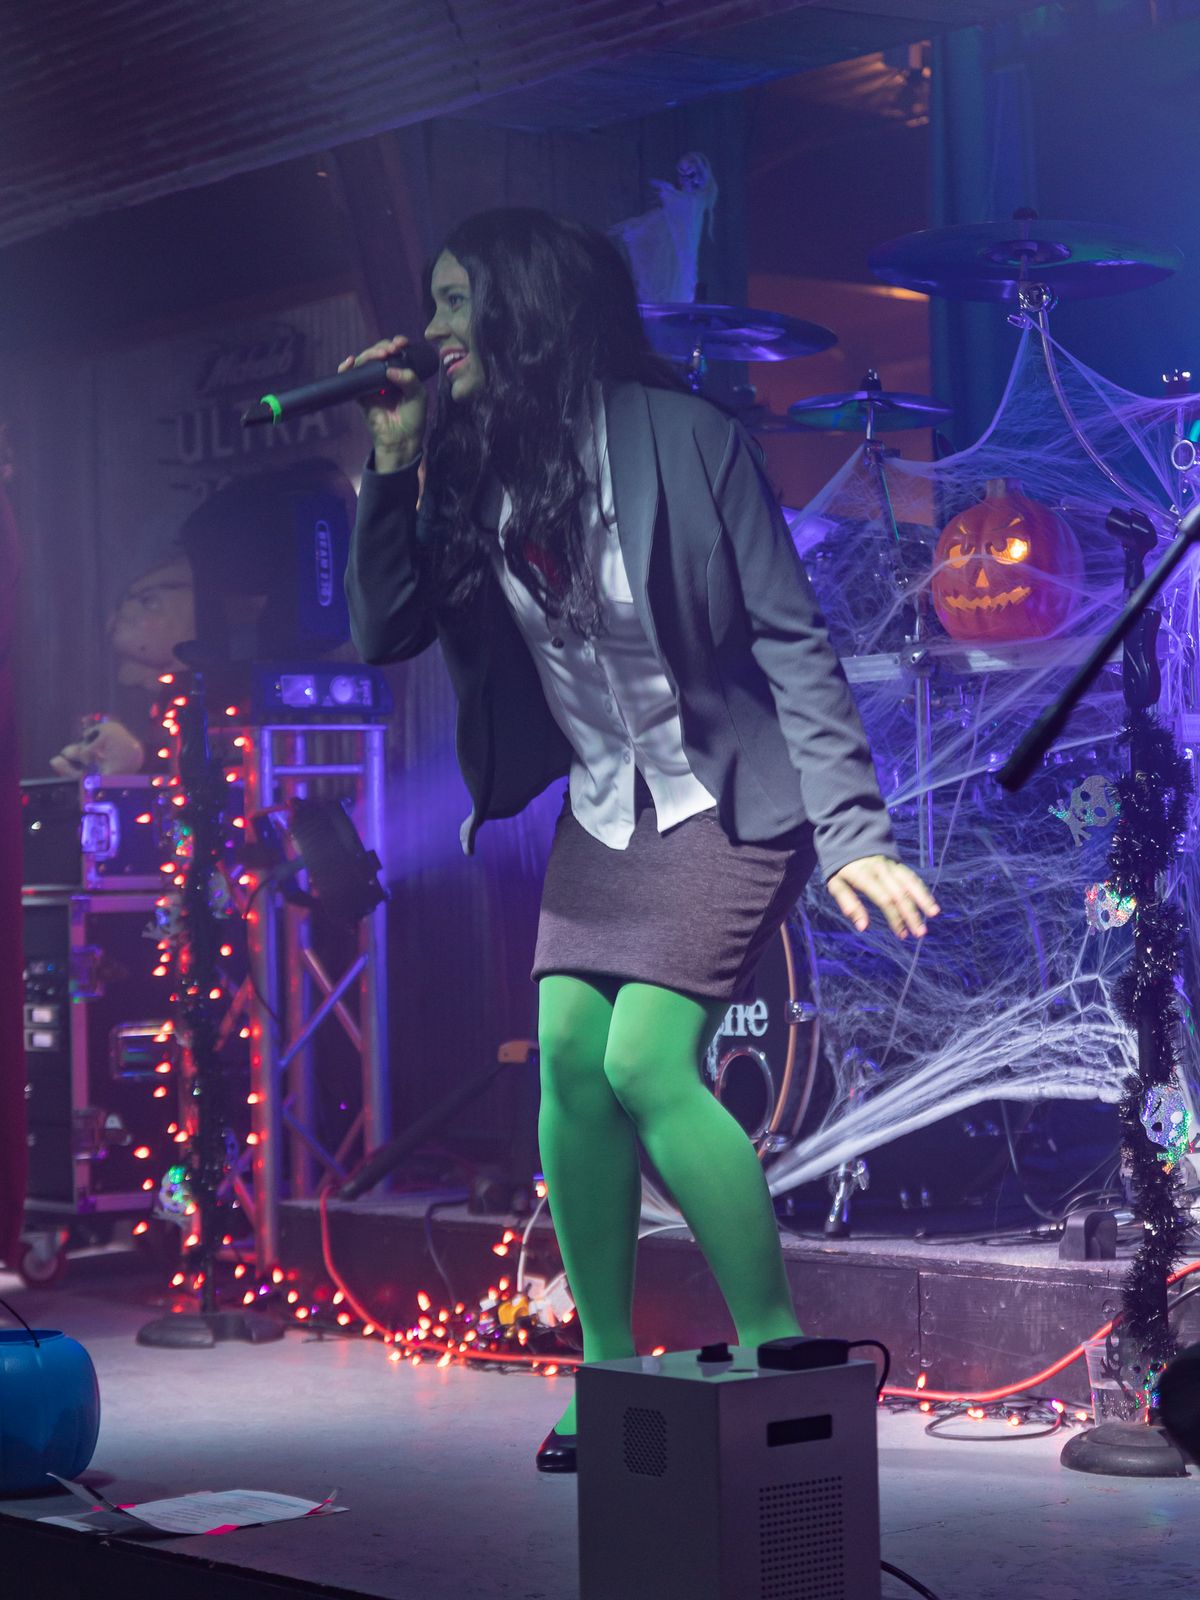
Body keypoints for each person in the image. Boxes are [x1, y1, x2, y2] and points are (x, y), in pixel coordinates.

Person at [341, 207, 939, 1473]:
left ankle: (781, 1350)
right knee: (567, 1058)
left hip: (725, 794)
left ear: (525, 307)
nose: (435, 331)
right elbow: (385, 630)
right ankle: (607, 1372)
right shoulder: (475, 464)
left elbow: (792, 640)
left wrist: (852, 834)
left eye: (455, 302)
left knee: (644, 1062)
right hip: (606, 804)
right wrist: (392, 463)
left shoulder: (688, 438)